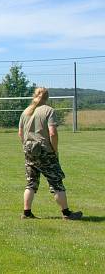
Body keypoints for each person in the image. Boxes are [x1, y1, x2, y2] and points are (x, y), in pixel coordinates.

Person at [19, 87, 83, 220]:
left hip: (29, 151)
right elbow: (52, 133)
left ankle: (26, 213)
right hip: (45, 152)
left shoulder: (25, 112)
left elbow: (20, 133)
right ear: (47, 97)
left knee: (31, 183)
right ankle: (67, 213)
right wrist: (55, 149)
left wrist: (26, 147)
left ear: (34, 96)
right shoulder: (49, 111)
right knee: (56, 183)